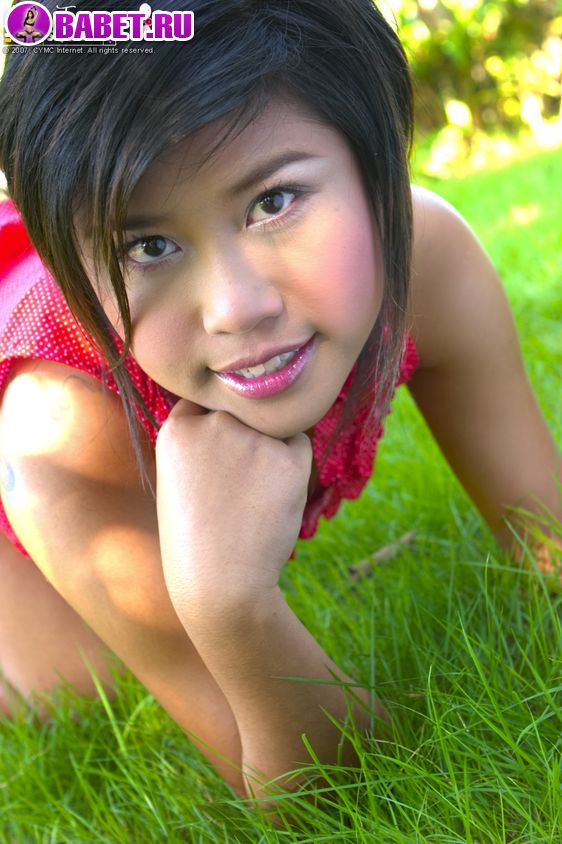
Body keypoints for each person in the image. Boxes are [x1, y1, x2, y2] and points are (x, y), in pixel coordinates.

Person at [0, 0, 559, 801]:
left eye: (273, 202)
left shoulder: (424, 253)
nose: (236, 309)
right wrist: (230, 606)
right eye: (148, 245)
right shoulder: (59, 431)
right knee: (73, 694)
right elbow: (318, 794)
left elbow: (547, 536)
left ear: (376, 159)